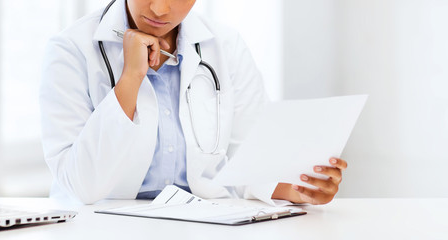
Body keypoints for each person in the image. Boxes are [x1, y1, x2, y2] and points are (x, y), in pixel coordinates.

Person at [39, 0, 348, 205]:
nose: (160, 9)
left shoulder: (225, 46)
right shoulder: (71, 49)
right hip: (104, 228)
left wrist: (296, 188)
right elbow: (80, 186)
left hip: (204, 224)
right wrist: (130, 79)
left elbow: (248, 162)